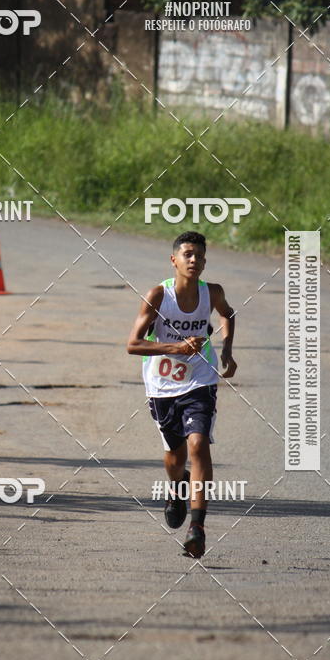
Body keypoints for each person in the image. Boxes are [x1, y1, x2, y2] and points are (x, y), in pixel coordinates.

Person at [127, 231, 237, 558]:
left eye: (200, 256)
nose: (194, 260)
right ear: (173, 260)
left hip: (199, 380)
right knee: (175, 459)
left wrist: (227, 352)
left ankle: (197, 527)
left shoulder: (212, 292)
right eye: (187, 254)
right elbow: (133, 344)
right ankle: (177, 486)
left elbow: (227, 314)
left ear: (205, 262)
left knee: (198, 443)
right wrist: (174, 347)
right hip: (162, 386)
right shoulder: (159, 296)